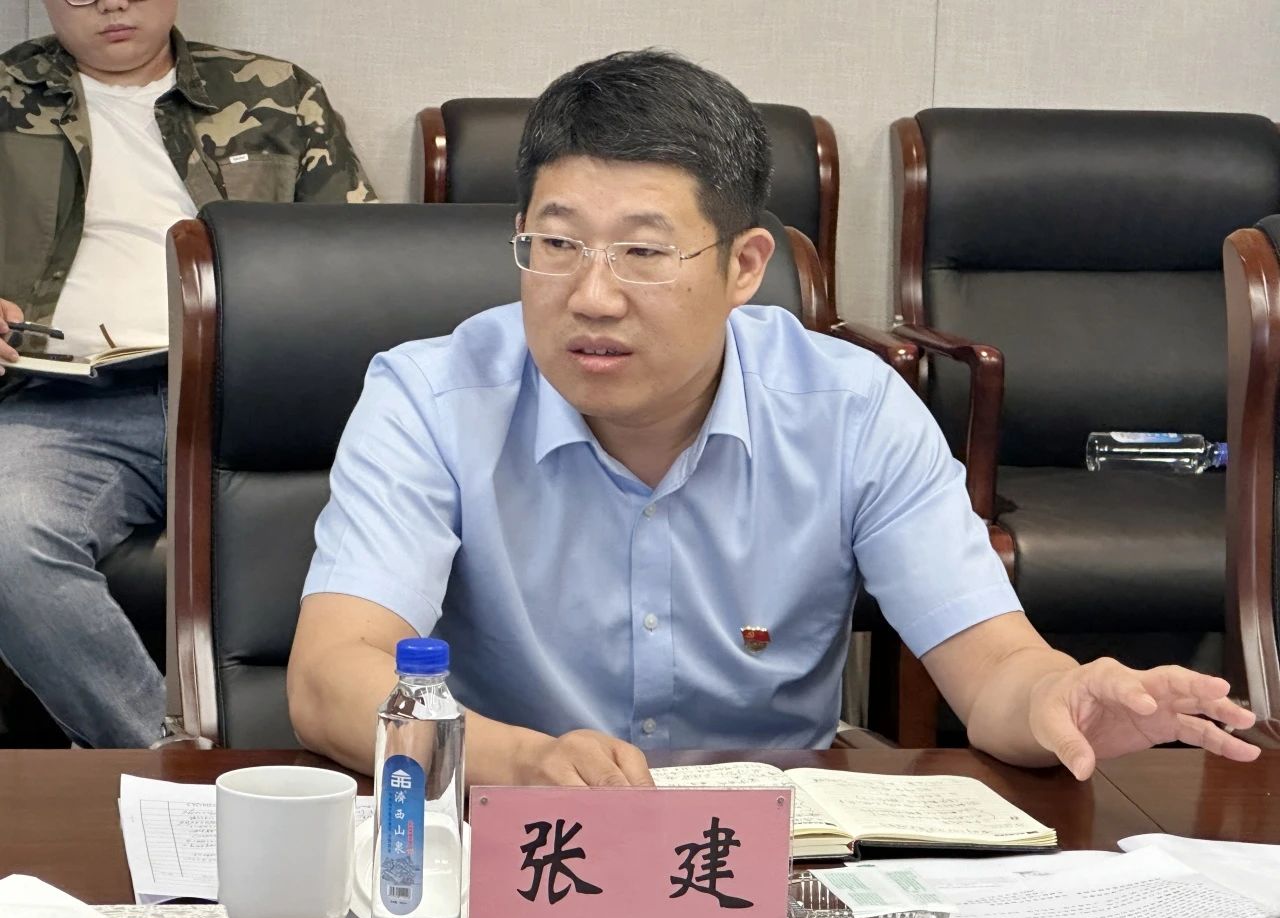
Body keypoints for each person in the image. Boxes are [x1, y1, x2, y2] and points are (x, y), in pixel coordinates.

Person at [287, 49, 1260, 785]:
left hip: (771, 870)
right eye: (557, 245)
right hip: (516, 852)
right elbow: (331, 676)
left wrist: (1059, 697)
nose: (590, 295)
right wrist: (523, 763)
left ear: (744, 267)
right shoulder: (429, 399)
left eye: (642, 253)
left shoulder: (852, 410)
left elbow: (994, 669)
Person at [0, 0, 376, 748]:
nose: (111, 2)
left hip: (253, 396)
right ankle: (171, 768)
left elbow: (361, 260)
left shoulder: (278, 94)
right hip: (64, 401)